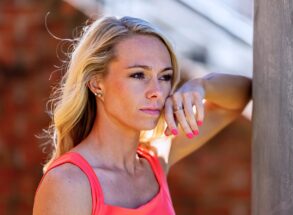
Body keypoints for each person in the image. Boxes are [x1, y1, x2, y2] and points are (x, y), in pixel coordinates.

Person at [33, 16, 251, 215]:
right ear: (96, 83)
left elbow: (241, 97)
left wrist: (201, 86)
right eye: (138, 75)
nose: (156, 90)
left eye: (165, 77)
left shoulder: (155, 159)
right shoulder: (68, 183)